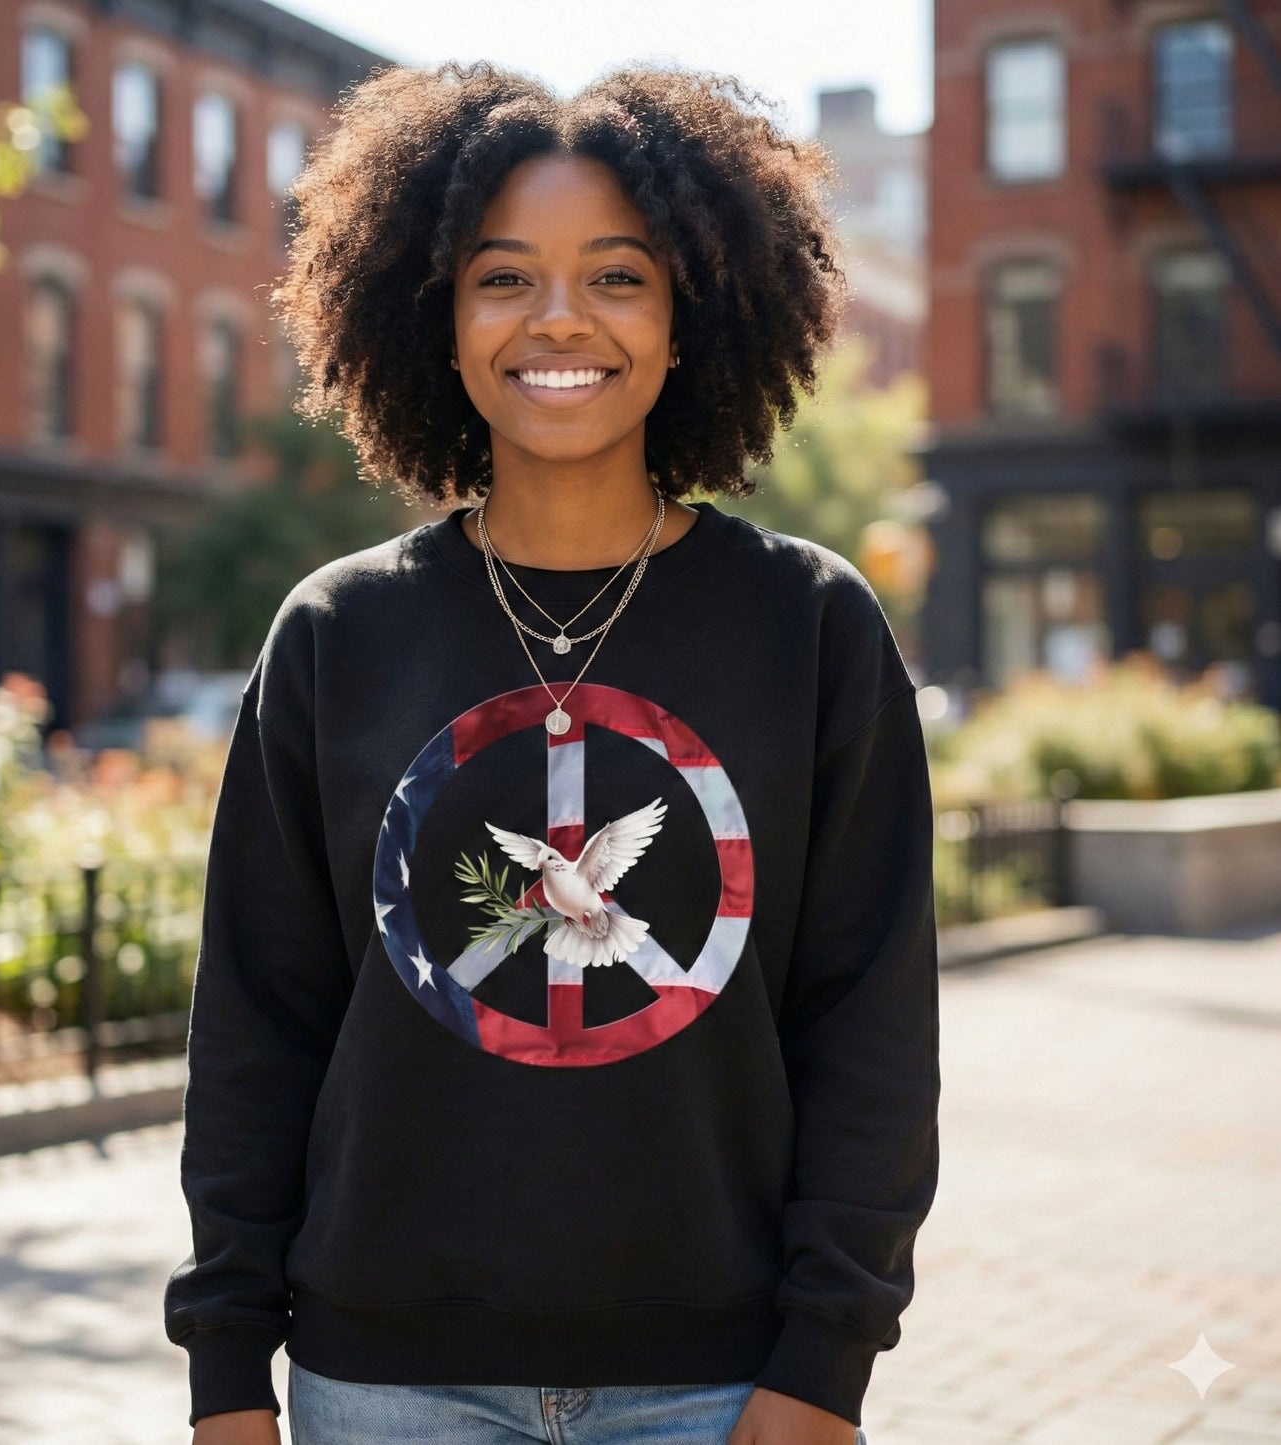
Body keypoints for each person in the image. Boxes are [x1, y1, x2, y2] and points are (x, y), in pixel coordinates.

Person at [164, 59, 940, 1445]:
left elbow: (866, 1018)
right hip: (387, 1379)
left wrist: (826, 1356)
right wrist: (226, 1367)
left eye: (619, 276)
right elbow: (256, 1019)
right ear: (438, 320)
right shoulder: (340, 630)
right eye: (503, 276)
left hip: (720, 1378)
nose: (560, 320)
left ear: (693, 313)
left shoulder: (808, 624)